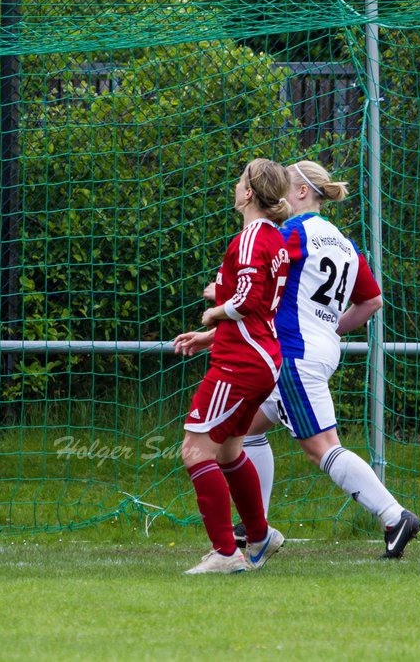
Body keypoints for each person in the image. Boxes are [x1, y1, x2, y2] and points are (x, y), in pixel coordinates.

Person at [231, 160, 420, 558]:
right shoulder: (344, 243)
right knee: (247, 429)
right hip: (316, 352)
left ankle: (394, 515)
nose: (278, 191)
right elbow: (372, 301)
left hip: (295, 355)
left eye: (286, 184)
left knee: (322, 448)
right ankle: (256, 527)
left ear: (301, 192)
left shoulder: (292, 232)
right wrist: (328, 329)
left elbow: (264, 273)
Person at [171, 158, 292, 574]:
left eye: (240, 182)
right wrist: (213, 333)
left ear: (249, 194)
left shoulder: (248, 240)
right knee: (228, 449)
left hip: (239, 364)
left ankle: (226, 553)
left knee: (194, 449)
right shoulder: (274, 238)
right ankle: (259, 536)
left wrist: (214, 313)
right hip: (260, 356)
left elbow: (245, 302)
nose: (235, 188)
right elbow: (257, 305)